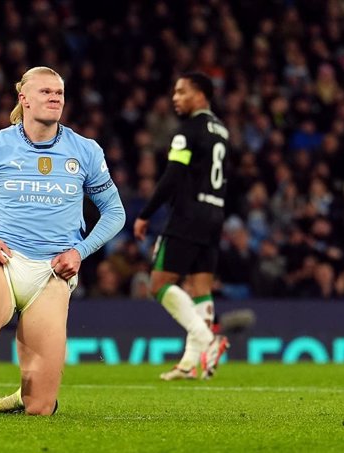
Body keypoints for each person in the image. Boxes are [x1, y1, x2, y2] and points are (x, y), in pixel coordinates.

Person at [0, 66, 125, 415]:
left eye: (60, 93)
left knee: (41, 408)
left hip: (53, 273)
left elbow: (115, 212)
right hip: (5, 262)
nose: (55, 98)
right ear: (23, 98)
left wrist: (80, 251)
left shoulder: (85, 150)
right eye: (46, 92)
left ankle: (26, 397)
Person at [133, 72, 230, 380]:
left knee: (158, 283)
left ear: (200, 95)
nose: (175, 98)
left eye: (181, 92)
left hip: (188, 215)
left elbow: (173, 175)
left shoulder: (188, 130)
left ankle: (207, 339)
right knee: (201, 287)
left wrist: (146, 213)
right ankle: (192, 363)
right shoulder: (222, 131)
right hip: (215, 213)